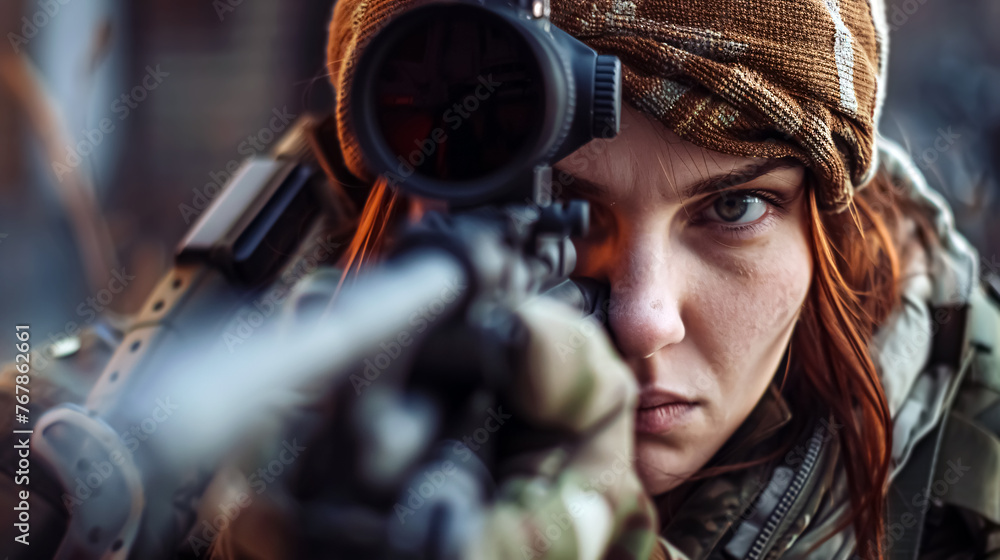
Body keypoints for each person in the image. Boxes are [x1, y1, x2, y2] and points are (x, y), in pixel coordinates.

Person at [307, 0, 1000, 558]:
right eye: (559, 213)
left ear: (823, 228)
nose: (644, 322)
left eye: (735, 207)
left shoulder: (972, 496)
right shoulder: (257, 437)